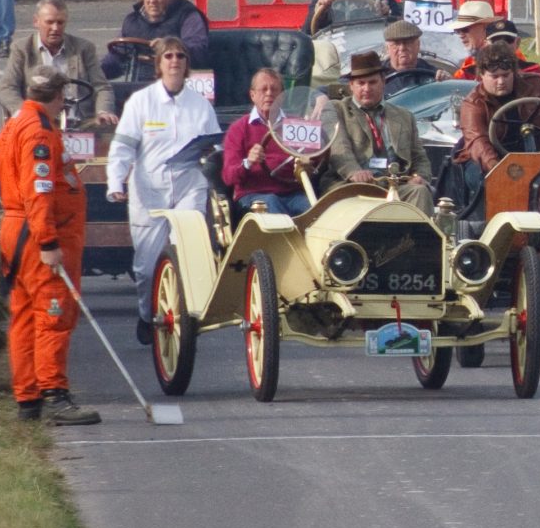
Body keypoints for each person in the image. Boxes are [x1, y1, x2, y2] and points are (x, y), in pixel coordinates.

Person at [0, 66, 99, 425]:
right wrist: (48, 240)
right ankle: (54, 394)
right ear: (57, 96)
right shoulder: (39, 132)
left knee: (24, 317)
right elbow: (38, 191)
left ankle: (29, 398)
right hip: (36, 233)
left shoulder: (14, 123)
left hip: (16, 229)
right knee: (53, 314)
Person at [107, 38, 220, 345]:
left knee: (187, 253)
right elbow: (123, 147)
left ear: (187, 65)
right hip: (149, 192)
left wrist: (212, 155)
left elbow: (214, 148)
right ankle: (147, 316)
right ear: (158, 65)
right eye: (168, 56)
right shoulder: (141, 102)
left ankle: (189, 315)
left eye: (180, 56)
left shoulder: (200, 106)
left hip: (188, 187)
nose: (174, 61)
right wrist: (116, 182)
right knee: (146, 268)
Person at [307, 51, 428, 207]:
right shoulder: (335, 109)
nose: (366, 88)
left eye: (372, 82)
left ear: (383, 82)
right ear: (351, 86)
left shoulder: (404, 116)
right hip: (350, 185)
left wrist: (419, 176)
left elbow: (419, 157)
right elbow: (339, 149)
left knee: (420, 191)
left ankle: (416, 232)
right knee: (357, 197)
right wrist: (354, 172)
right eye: (361, 83)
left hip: (395, 185)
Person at [0, 0, 113, 123]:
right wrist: (24, 112)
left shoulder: (84, 48)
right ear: (36, 21)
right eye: (50, 22)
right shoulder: (21, 48)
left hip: (81, 123)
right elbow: (6, 87)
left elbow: (102, 87)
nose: (55, 28)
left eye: (60, 22)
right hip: (36, 124)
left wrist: (103, 111)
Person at [452, 41, 540, 175]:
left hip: (537, 155)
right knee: (482, 179)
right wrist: (499, 170)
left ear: (514, 72)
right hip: (491, 160)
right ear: (481, 75)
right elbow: (478, 142)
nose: (501, 82)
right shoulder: (473, 103)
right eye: (494, 77)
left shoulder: (536, 84)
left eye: (505, 75)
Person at [116, 0, 213, 110]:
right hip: (139, 86)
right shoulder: (132, 21)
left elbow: (198, 50)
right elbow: (116, 58)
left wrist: (168, 47)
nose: (152, 0)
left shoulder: (188, 16)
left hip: (179, 86)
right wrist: (92, 69)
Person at [222, 68, 313, 215]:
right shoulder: (238, 129)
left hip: (292, 193)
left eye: (274, 89)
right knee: (271, 202)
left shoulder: (297, 125)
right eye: (263, 89)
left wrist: (310, 162)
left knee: (315, 210)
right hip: (253, 194)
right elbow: (228, 177)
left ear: (282, 96)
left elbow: (320, 157)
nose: (269, 93)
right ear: (253, 95)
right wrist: (248, 162)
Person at [378, 20, 442, 96]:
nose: (402, 48)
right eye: (396, 44)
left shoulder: (433, 74)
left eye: (407, 42)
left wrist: (445, 80)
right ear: (387, 49)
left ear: (418, 46)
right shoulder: (377, 75)